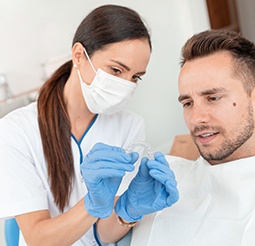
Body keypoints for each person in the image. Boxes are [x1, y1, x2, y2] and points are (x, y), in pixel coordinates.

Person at [0, 4, 178, 245]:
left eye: (135, 77)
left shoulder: (129, 125)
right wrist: (91, 205)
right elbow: (38, 239)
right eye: (116, 70)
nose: (126, 85)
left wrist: (129, 210)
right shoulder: (16, 131)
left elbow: (105, 235)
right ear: (79, 56)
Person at [126, 30, 255, 245]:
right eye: (187, 103)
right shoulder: (163, 188)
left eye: (213, 98)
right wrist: (123, 213)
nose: (196, 118)